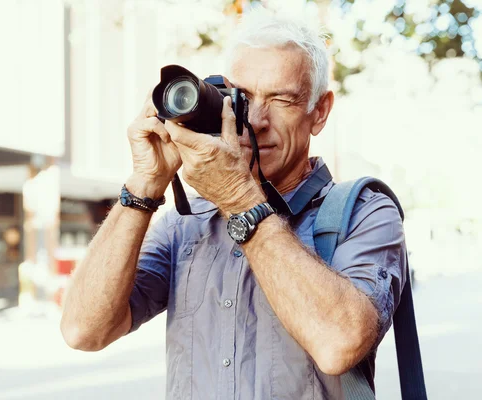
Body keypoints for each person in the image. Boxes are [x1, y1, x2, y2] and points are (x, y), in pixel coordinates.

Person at [60, 8, 406, 400]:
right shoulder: (186, 224)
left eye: (282, 100)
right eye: (242, 98)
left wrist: (239, 198)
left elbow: (338, 344)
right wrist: (145, 182)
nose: (256, 120)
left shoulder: (365, 212)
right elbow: (83, 331)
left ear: (319, 111)